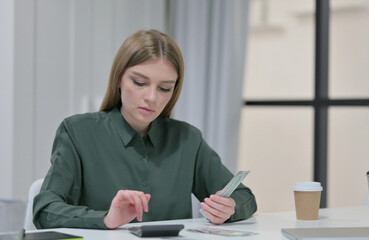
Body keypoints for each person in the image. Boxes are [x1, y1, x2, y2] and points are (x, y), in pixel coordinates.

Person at [33, 29, 257, 229]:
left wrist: (230, 208)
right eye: (139, 83)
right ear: (119, 79)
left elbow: (244, 197)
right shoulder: (77, 133)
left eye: (164, 88)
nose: (152, 98)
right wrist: (105, 219)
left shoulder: (187, 139)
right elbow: (45, 210)